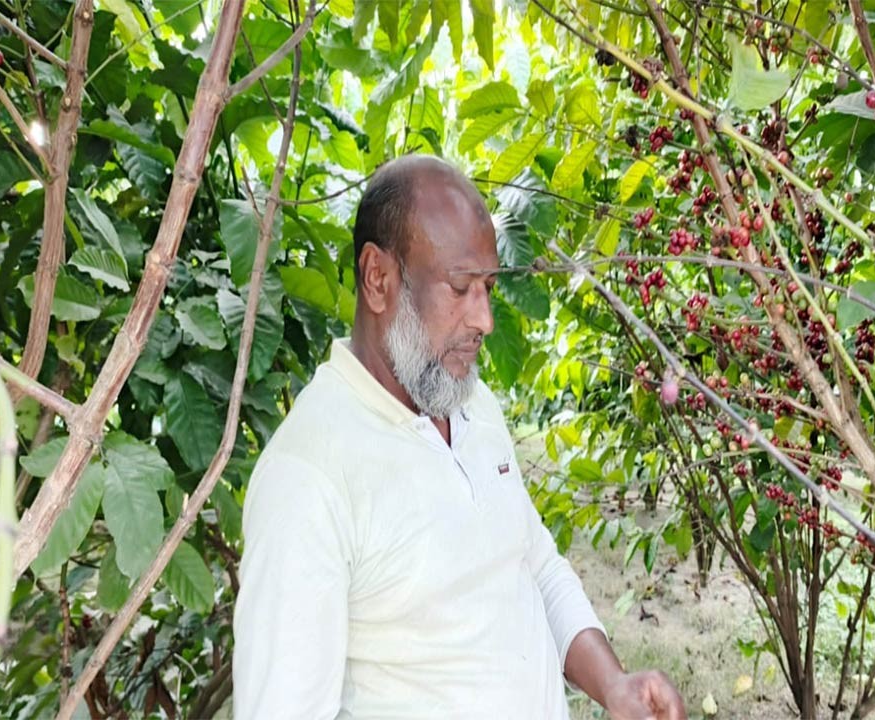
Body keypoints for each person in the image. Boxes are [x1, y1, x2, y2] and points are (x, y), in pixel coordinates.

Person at [232, 155, 687, 720]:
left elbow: (534, 562)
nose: (484, 320)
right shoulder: (309, 475)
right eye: (461, 287)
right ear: (379, 279)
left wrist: (614, 685)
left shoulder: (469, 402)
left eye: (489, 289)